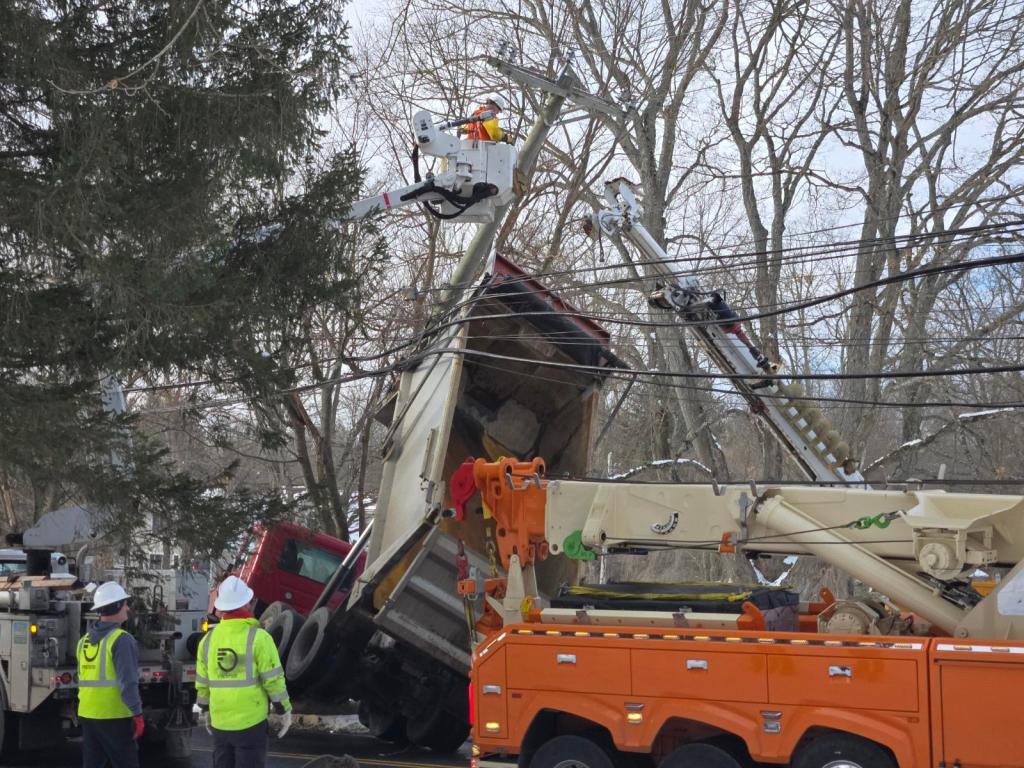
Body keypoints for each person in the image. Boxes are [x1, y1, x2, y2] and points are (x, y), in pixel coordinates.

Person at [196, 575, 292, 768]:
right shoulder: (259, 638)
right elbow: (273, 680)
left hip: (220, 723)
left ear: (221, 608)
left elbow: (203, 683)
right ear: (247, 604)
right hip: (251, 725)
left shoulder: (207, 641)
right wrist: (283, 710)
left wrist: (205, 710)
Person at [77, 581, 144, 768]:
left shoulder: (83, 641)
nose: (127, 608)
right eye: (124, 604)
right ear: (116, 606)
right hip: (115, 716)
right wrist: (137, 713)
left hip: (89, 714)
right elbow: (128, 683)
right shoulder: (122, 640)